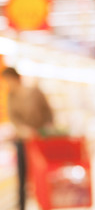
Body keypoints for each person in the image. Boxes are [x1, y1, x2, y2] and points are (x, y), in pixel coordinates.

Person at [1, 67, 54, 210]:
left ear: (16, 78)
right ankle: (22, 205)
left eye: (9, 80)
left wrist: (46, 128)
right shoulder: (11, 96)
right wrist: (24, 131)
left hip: (41, 139)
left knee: (42, 172)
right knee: (22, 175)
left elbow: (48, 111)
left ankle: (45, 202)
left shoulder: (34, 92)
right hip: (23, 141)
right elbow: (14, 119)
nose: (8, 83)